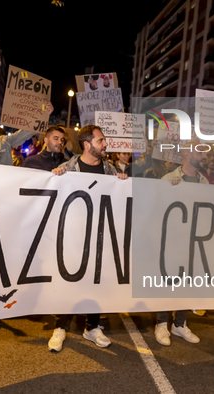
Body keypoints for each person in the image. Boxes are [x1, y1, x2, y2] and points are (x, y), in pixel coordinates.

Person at [48, 125, 128, 352]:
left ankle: (92, 327)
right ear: (87, 145)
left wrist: (122, 182)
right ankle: (61, 326)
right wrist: (54, 178)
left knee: (97, 281)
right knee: (67, 281)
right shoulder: (67, 168)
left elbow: (120, 200)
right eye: (101, 141)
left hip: (100, 236)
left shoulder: (110, 170)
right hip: (72, 237)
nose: (105, 145)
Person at [154, 142, 207, 346]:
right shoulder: (169, 179)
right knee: (168, 282)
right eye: (200, 151)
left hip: (194, 242)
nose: (204, 155)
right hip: (172, 242)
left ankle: (179, 324)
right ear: (186, 154)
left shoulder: (205, 182)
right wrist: (169, 191)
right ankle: (161, 324)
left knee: (187, 283)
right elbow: (157, 207)